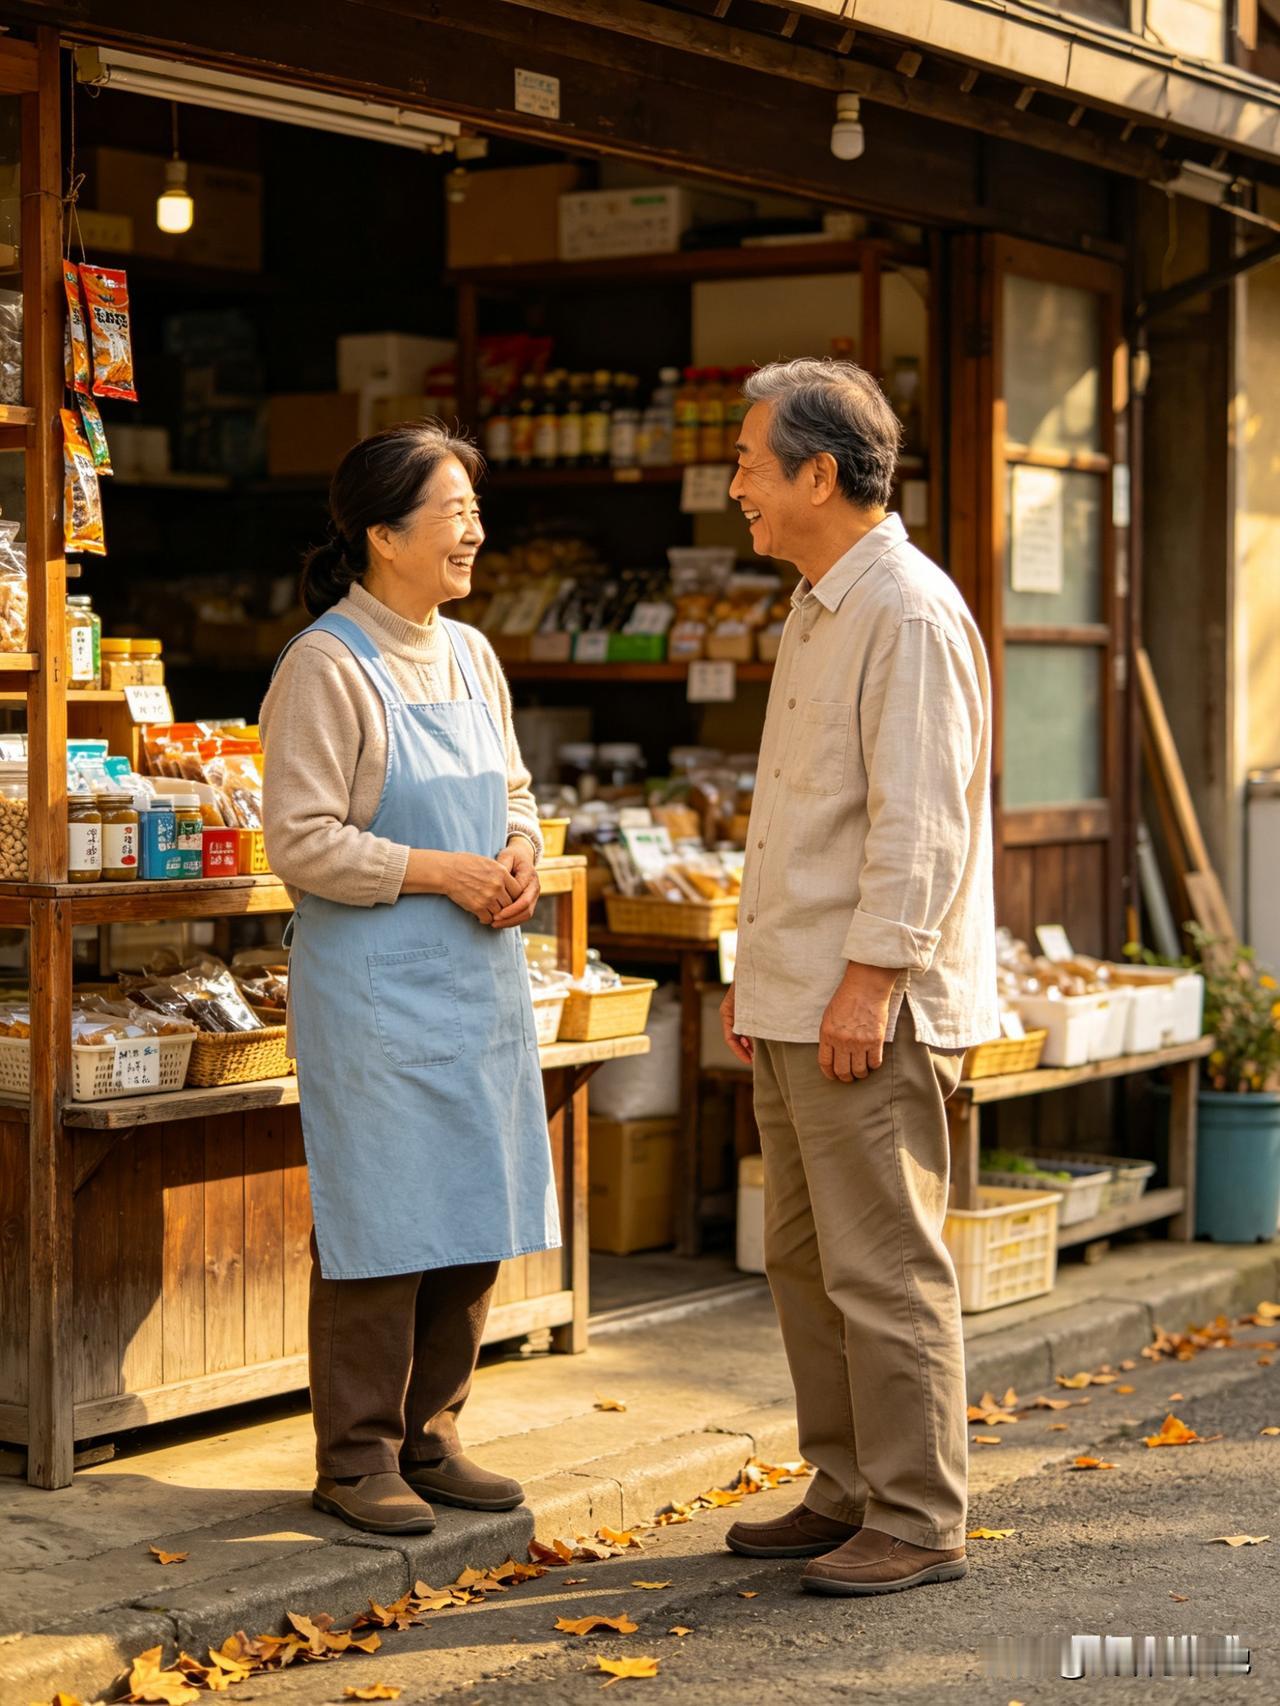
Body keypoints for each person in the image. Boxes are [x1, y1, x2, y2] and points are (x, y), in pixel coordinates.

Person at [718, 359, 998, 1596]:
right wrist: (755, 972)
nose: (735, 488)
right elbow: (798, 817)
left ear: (817, 473)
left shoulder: (907, 608)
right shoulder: (821, 599)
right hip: (794, 988)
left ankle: (919, 1510)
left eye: (747, 464)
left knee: (882, 1264)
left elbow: (918, 826)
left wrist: (866, 983)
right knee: (800, 1257)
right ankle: (845, 1485)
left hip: (861, 1000)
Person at [260, 420, 559, 1536]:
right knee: (380, 1220)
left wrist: (521, 853)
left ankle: (432, 1432)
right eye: (454, 511)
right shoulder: (327, 662)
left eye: (474, 510)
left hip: (475, 978)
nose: (474, 530)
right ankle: (354, 1456)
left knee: (471, 1210)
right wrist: (441, 868)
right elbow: (298, 839)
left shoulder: (472, 652)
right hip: (376, 990)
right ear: (383, 533)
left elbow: (517, 793)